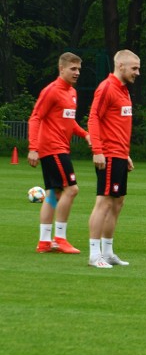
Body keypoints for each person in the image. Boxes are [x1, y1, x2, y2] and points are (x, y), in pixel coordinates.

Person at [27, 52, 90, 254]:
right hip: (53, 148)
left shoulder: (71, 92)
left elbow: (69, 121)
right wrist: (33, 148)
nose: (77, 72)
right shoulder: (52, 91)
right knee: (72, 190)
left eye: (79, 69)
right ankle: (60, 238)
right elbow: (35, 118)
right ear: (61, 69)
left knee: (54, 193)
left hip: (60, 147)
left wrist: (85, 134)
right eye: (73, 68)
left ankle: (44, 242)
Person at [86, 49, 140, 269]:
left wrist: (124, 153)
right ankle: (94, 254)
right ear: (121, 66)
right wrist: (97, 150)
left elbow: (116, 124)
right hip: (107, 154)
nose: (138, 72)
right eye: (134, 68)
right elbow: (93, 118)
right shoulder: (107, 87)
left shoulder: (124, 90)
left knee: (117, 202)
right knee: (104, 201)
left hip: (118, 154)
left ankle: (107, 252)